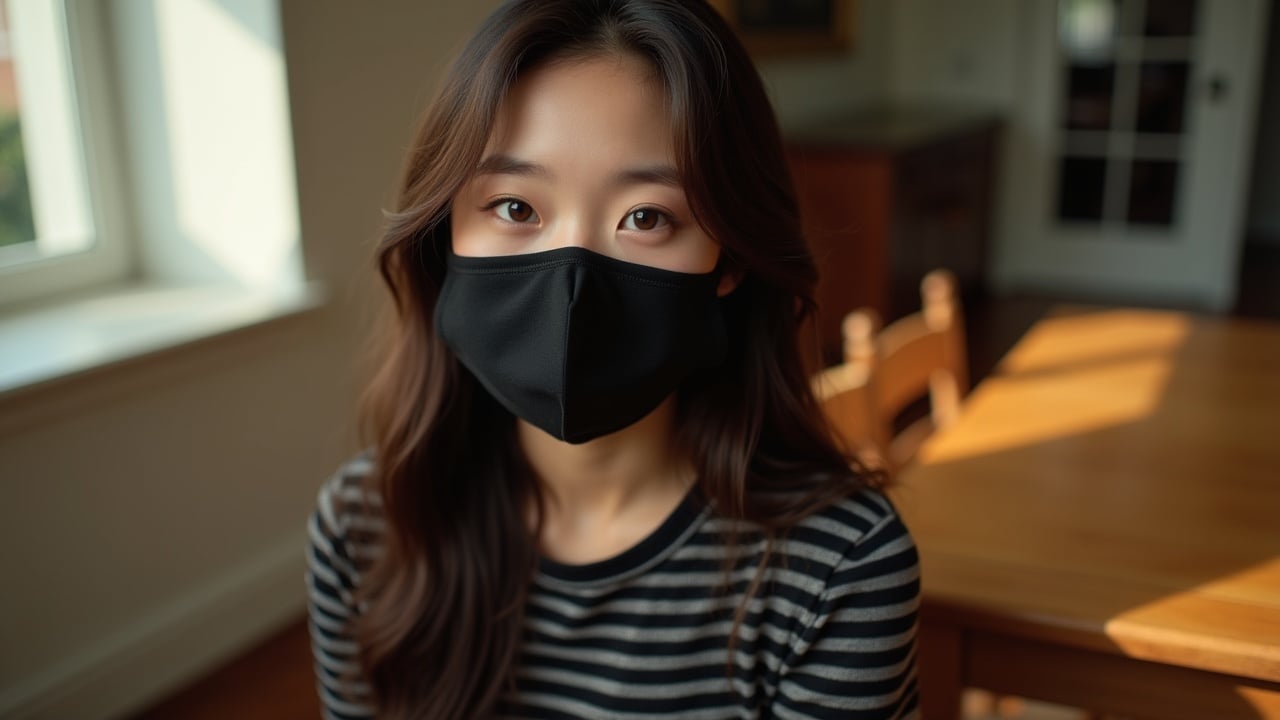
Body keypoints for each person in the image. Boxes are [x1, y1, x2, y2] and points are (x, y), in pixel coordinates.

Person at [306, 1, 920, 718]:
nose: (571, 282)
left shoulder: (837, 569)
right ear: (444, 235)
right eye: (513, 207)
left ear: (730, 261)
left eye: (647, 217)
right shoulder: (367, 524)